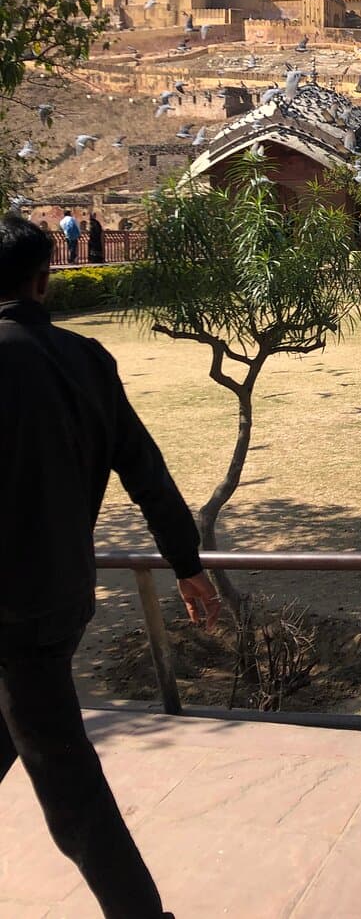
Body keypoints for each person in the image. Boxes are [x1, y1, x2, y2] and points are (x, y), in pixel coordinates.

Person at [0, 214, 220, 919]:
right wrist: (186, 563)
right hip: (59, 600)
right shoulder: (87, 359)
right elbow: (146, 469)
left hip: (14, 618)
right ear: (45, 280)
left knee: (71, 792)